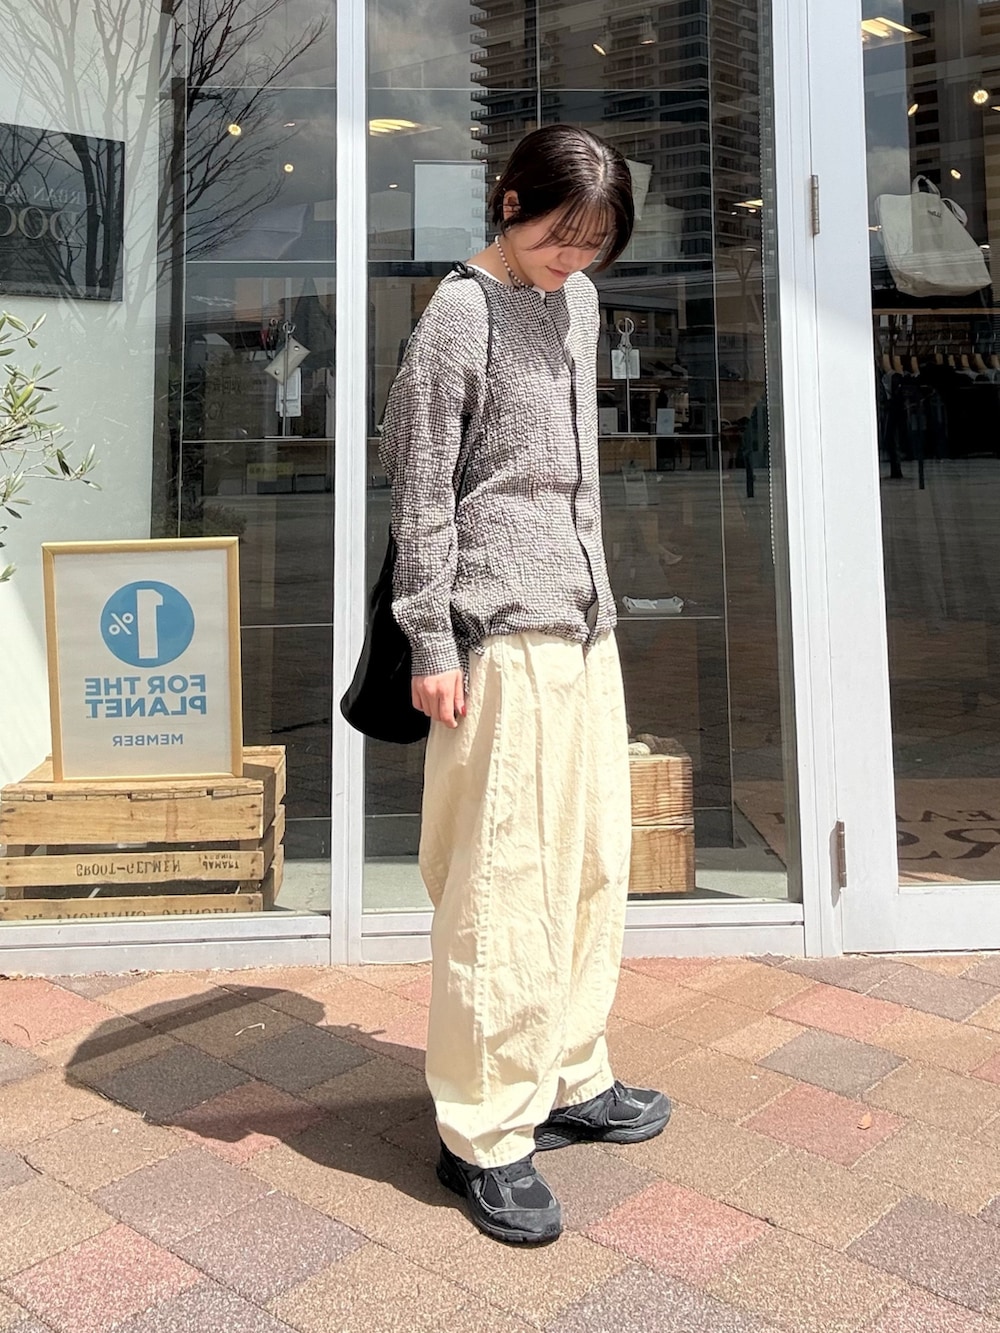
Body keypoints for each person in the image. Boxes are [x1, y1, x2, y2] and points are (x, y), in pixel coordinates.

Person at [379, 124, 672, 1247]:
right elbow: (420, 490)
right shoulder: (459, 314)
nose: (573, 258)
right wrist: (431, 640)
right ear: (509, 202)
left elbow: (574, 474)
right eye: (560, 235)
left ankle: (567, 1072)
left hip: (583, 622)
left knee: (592, 860)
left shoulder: (577, 302)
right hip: (497, 631)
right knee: (503, 884)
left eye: (594, 242)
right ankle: (484, 1131)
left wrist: (601, 597)